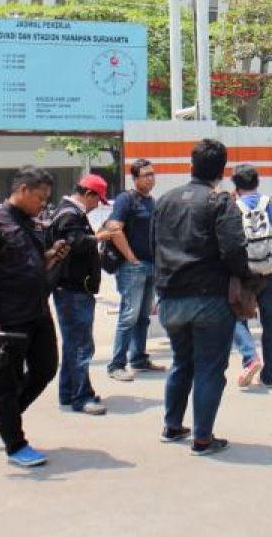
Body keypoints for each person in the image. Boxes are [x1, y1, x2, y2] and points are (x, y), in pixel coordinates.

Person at [154, 138, 250, 456]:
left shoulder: (164, 200)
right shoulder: (220, 202)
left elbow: (152, 246)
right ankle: (203, 438)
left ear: (190, 165)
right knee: (209, 367)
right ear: (223, 170)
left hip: (170, 298)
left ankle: (171, 426)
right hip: (209, 298)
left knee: (182, 362)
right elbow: (235, 249)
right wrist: (245, 278)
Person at [0, 166, 69, 468]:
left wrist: (52, 255)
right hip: (10, 317)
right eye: (40, 198)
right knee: (7, 380)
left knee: (46, 368)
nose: (43, 204)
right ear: (23, 190)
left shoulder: (33, 224)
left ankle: (5, 416)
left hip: (38, 311)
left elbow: (32, 262)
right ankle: (15, 443)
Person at [49, 174, 110, 416]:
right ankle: (81, 396)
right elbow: (75, 242)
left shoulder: (68, 213)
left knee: (74, 343)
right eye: (98, 200)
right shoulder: (69, 215)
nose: (97, 206)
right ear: (88, 194)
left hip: (72, 289)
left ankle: (68, 391)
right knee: (81, 345)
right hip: (73, 290)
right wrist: (100, 237)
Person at [229, 162, 272, 389]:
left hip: (245, 274)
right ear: (257, 182)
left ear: (235, 185)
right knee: (271, 324)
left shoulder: (232, 207)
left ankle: (250, 356)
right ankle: (269, 375)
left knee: (236, 315)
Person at [106, 158, 164, 381]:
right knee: (129, 316)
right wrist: (130, 258)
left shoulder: (152, 202)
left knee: (143, 317)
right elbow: (114, 229)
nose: (150, 178)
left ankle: (138, 358)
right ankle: (116, 365)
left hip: (151, 266)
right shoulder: (125, 199)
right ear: (135, 178)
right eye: (146, 175)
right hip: (133, 268)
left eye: (152, 174)